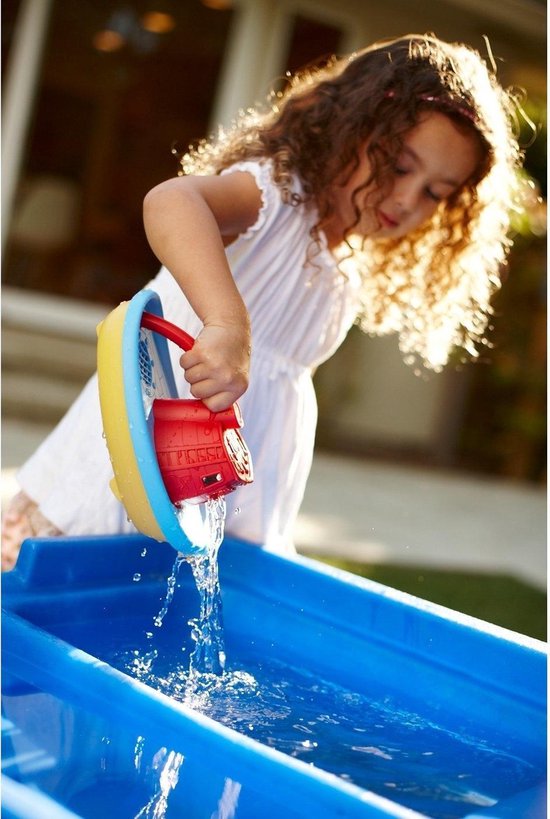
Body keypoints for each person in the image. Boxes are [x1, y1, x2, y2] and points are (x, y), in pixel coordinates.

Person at [2, 33, 525, 570]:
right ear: (353, 127)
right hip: (132, 465)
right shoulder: (275, 198)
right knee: (51, 613)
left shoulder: (342, 267)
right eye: (398, 166)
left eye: (436, 194)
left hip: (219, 499)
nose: (407, 200)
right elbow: (173, 200)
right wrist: (227, 322)